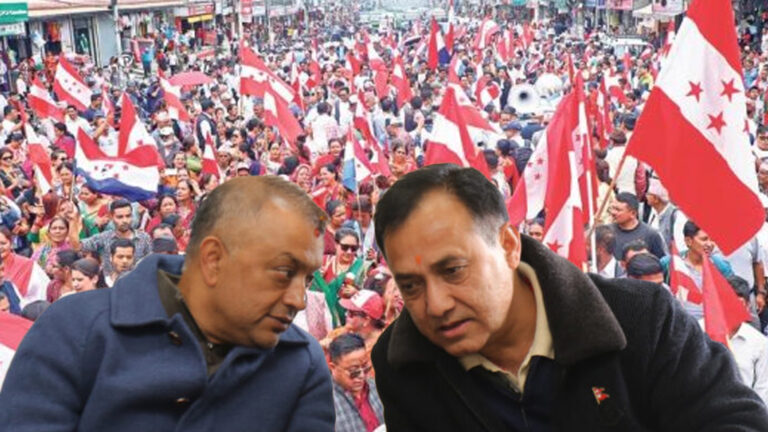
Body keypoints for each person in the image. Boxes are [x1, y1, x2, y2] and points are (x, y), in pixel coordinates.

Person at [370, 164, 768, 430]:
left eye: (453, 270)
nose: (436, 305)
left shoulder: (641, 318)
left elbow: (735, 421)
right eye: (411, 285)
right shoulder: (403, 363)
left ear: (508, 246)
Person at [0, 176, 334, 430]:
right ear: (214, 259)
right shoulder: (74, 328)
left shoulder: (301, 362)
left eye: (306, 278)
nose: (299, 300)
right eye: (283, 272)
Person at [73, 199, 152, 276]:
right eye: (120, 217)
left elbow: (151, 264)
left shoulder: (144, 238)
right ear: (111, 217)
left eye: (128, 216)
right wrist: (71, 221)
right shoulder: (104, 237)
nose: (125, 220)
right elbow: (77, 246)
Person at [329, 333, 385, 432]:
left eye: (365, 368)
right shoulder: (326, 402)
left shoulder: (377, 387)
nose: (362, 376)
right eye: (353, 371)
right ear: (333, 367)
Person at [610, 192, 667, 260]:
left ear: (633, 213)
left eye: (618, 210)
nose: (613, 212)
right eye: (612, 208)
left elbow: (660, 262)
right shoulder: (607, 232)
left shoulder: (651, 235)